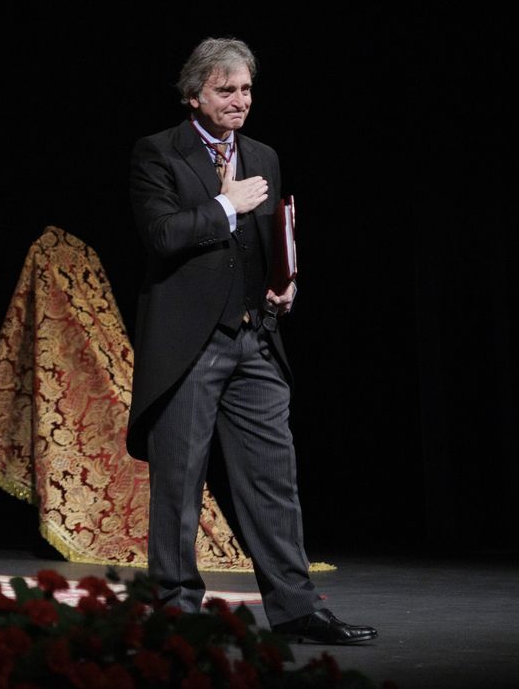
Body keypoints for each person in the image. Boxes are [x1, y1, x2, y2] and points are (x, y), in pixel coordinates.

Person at [127, 36, 375, 645]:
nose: (240, 101)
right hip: (190, 345)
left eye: (245, 90)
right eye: (225, 90)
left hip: (254, 340)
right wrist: (224, 204)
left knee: (273, 479)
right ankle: (177, 611)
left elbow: (271, 242)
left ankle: (295, 609)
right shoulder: (159, 153)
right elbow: (161, 235)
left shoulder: (262, 154)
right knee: (180, 484)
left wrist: (282, 285)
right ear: (194, 95)